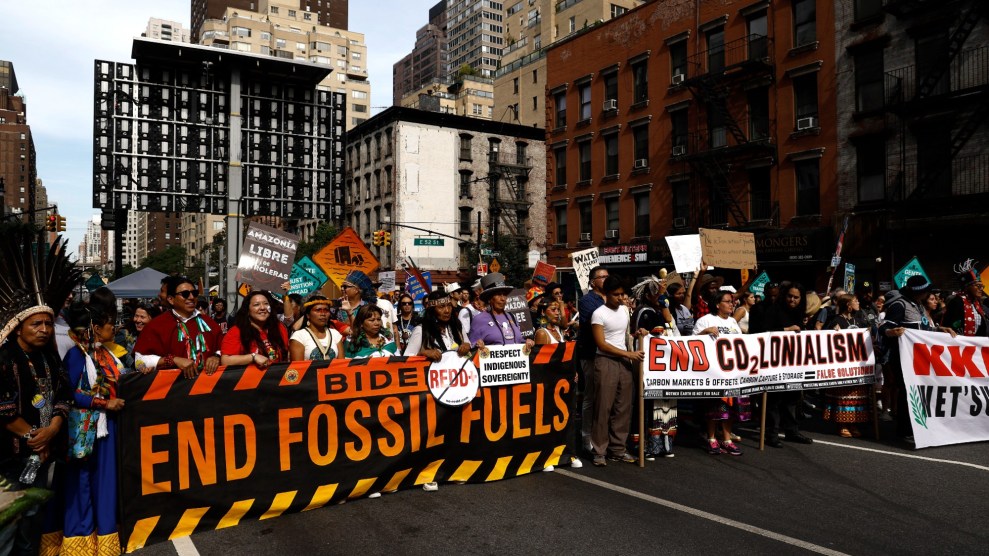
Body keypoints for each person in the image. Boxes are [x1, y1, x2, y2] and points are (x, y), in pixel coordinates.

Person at [0, 300, 72, 555]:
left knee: (32, 523)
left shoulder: (49, 356)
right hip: (9, 457)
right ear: (18, 328)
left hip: (41, 453)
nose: (44, 329)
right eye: (36, 324)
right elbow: (4, 410)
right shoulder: (5, 357)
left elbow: (64, 394)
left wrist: (52, 429)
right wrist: (35, 437)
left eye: (49, 324)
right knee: (7, 525)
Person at [61, 302, 125, 554]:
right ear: (95, 328)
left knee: (105, 484)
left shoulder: (105, 353)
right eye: (111, 325)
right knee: (82, 484)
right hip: (84, 430)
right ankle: (80, 541)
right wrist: (104, 403)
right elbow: (72, 394)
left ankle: (106, 539)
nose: (116, 328)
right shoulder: (76, 355)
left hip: (106, 427)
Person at [588, 277, 646, 466]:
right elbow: (601, 343)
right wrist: (627, 353)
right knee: (603, 407)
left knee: (623, 407)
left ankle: (618, 449)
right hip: (606, 361)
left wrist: (636, 335)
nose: (620, 298)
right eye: (616, 294)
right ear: (606, 294)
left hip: (624, 361)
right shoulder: (598, 314)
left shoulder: (624, 310)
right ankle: (599, 451)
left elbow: (622, 335)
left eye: (622, 294)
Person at [693, 290, 749, 456]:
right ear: (717, 304)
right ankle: (711, 438)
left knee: (731, 407)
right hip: (714, 372)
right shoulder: (706, 320)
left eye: (732, 301)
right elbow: (692, 343)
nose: (732, 304)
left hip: (732, 372)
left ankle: (726, 438)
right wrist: (705, 332)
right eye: (727, 301)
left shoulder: (733, 322)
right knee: (715, 406)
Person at [134, 276, 222, 379]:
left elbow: (224, 349)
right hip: (172, 390)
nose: (191, 297)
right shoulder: (156, 325)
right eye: (185, 294)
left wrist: (216, 357)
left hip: (207, 387)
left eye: (194, 293)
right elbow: (139, 361)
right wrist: (173, 360)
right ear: (171, 299)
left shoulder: (209, 323)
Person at [762, 282, 814, 447]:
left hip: (793, 363)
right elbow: (763, 331)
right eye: (789, 296)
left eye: (796, 297)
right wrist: (786, 329)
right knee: (774, 399)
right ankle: (772, 435)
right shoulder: (773, 310)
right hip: (774, 362)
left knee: (792, 399)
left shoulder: (799, 313)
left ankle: (792, 431)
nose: (792, 300)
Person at [631, 278, 677, 459]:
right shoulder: (647, 312)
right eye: (658, 292)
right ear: (649, 295)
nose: (662, 296)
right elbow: (665, 324)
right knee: (648, 403)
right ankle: (645, 445)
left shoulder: (650, 310)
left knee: (662, 402)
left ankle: (662, 444)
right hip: (649, 365)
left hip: (661, 365)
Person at [821, 294, 872, 438]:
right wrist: (833, 333)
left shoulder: (859, 320)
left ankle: (853, 423)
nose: (858, 302)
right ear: (848, 305)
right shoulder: (836, 321)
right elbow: (826, 339)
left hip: (857, 364)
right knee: (843, 394)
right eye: (855, 301)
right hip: (843, 365)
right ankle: (842, 424)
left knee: (856, 395)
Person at [576, 266, 609, 455]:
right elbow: (598, 323)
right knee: (591, 395)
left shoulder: (614, 299)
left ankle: (604, 435)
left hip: (611, 354)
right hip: (590, 354)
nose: (606, 279)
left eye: (607, 276)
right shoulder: (587, 301)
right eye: (602, 277)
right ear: (592, 281)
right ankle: (586, 436)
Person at [221, 290, 290, 369]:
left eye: (266, 304)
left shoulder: (279, 327)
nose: (262, 308)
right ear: (247, 311)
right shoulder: (237, 331)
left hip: (277, 379)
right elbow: (225, 361)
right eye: (256, 305)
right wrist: (253, 357)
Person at [469, 273, 533, 350]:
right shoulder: (479, 319)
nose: (503, 298)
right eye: (498, 294)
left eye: (504, 294)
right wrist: (478, 346)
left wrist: (526, 342)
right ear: (489, 298)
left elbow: (518, 341)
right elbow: (472, 346)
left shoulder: (511, 316)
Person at [403, 291, 472, 361]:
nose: (447, 310)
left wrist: (466, 345)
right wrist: (423, 353)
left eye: (449, 305)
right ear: (432, 310)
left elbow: (467, 343)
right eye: (441, 307)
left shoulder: (457, 325)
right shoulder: (421, 330)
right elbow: (406, 360)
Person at [290, 296, 345, 361]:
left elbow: (342, 364)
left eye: (326, 310)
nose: (323, 314)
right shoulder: (299, 336)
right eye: (318, 310)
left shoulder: (335, 334)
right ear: (308, 315)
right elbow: (298, 368)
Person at [944, 259, 987, 337]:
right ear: (967, 287)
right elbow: (949, 326)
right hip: (960, 345)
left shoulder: (978, 304)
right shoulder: (956, 302)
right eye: (978, 286)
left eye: (982, 286)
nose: (981, 289)